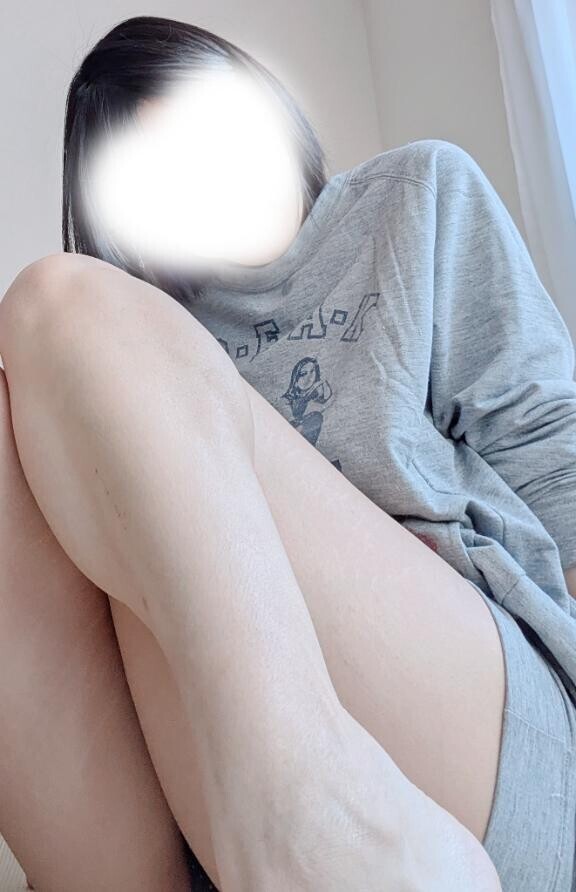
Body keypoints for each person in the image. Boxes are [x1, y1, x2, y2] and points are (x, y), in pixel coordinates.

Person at [0, 13, 574, 892]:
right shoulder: (151, 329)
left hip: (488, 736)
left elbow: (555, 464)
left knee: (60, 302)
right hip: (209, 794)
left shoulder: (413, 197)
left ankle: (309, 818)